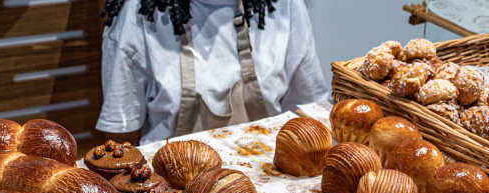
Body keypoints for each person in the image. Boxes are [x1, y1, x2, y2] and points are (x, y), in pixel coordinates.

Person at [97, 0, 329, 145]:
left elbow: (308, 111)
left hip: (271, 177)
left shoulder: (282, 5)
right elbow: (121, 141)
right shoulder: (139, 14)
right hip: (172, 192)